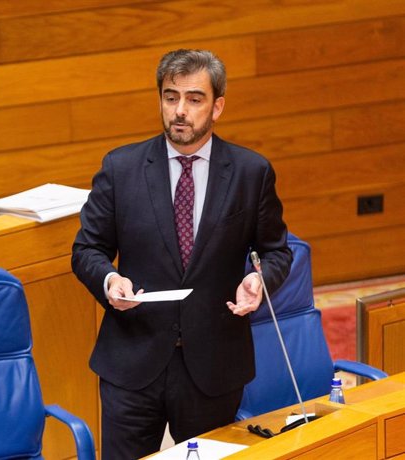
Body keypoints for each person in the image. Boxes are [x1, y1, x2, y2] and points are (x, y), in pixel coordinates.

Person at [71, 49, 293, 459]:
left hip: (213, 364)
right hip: (132, 360)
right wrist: (108, 279)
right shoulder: (121, 168)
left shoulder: (250, 172)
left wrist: (258, 280)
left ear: (217, 106)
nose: (180, 111)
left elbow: (276, 252)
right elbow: (87, 248)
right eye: (171, 97)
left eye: (194, 99)